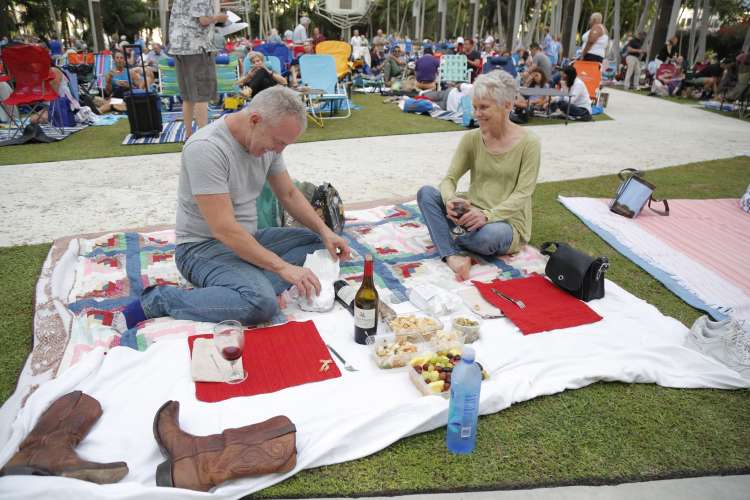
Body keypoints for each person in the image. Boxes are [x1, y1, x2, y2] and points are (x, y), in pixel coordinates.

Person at [115, 87, 350, 333]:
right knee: (261, 304)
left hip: (248, 239)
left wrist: (325, 232)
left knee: (319, 245)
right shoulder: (207, 148)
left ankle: (242, 283)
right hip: (201, 249)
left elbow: (289, 194)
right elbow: (224, 230)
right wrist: (282, 268)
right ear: (255, 120)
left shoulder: (268, 142)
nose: (279, 151)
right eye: (278, 142)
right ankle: (160, 300)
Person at [417, 70, 540, 281]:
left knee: (488, 237)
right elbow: (449, 180)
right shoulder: (471, 139)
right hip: (470, 215)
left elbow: (523, 193)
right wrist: (449, 199)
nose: (477, 113)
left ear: (507, 106)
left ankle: (445, 240)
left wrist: (487, 216)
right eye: (475, 107)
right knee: (426, 194)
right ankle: (452, 256)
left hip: (505, 224)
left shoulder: (529, 143)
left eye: (484, 107)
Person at [168, 0, 228, 140]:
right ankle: (203, 138)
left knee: (188, 96)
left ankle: (188, 136)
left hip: (178, 47)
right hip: (196, 47)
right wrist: (219, 18)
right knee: (202, 95)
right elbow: (203, 20)